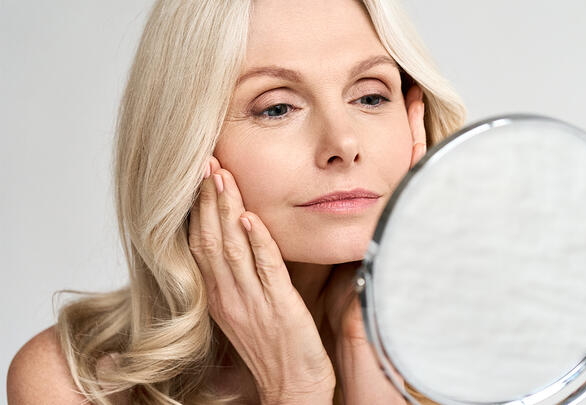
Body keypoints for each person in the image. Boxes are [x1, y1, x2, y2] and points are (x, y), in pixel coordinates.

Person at [7, 0, 465, 403]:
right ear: (186, 144)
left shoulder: (482, 355)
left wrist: (364, 352)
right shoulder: (76, 384)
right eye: (277, 108)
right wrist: (294, 390)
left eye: (369, 96)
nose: (343, 142)